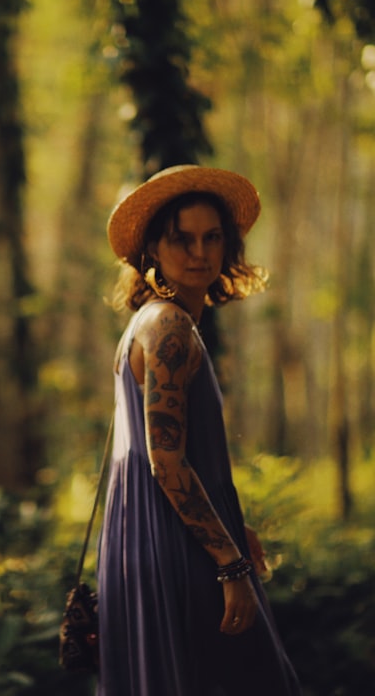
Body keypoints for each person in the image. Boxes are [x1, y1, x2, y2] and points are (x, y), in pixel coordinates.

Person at [96, 165, 301, 695]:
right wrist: (231, 566)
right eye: (181, 239)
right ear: (152, 252)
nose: (199, 253)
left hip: (151, 542)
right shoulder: (166, 326)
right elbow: (164, 462)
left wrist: (233, 527)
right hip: (174, 551)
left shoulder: (152, 321)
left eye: (212, 237)